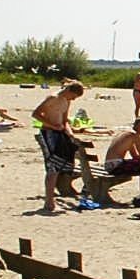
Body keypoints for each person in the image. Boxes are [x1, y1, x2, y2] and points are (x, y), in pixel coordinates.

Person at [31, 80, 88, 213]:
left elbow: (65, 120)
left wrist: (70, 133)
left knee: (62, 164)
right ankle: (49, 201)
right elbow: (36, 114)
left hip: (60, 132)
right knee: (52, 167)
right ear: (69, 91)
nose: (73, 99)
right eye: (73, 96)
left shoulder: (66, 101)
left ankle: (53, 198)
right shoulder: (53, 98)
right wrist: (52, 126)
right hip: (48, 132)